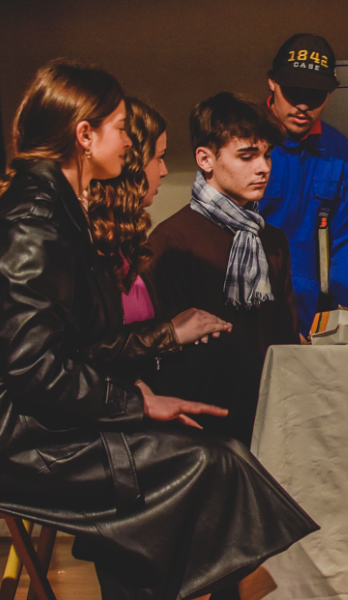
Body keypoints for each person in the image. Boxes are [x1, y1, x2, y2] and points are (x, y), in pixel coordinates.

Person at [0, 60, 317, 600]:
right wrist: (136, 403)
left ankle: (237, 585)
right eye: (120, 127)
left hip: (37, 418)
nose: (128, 142)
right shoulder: (32, 220)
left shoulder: (56, 212)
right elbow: (36, 370)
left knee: (219, 439)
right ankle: (240, 586)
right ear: (84, 136)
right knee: (203, 459)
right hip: (8, 436)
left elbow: (77, 349)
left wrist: (143, 383)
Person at [144, 92, 298, 446]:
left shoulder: (272, 240)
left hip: (267, 410)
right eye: (247, 156)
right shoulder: (171, 240)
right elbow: (164, 349)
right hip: (201, 424)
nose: (263, 167)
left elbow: (283, 336)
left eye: (266, 155)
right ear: (205, 159)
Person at [261, 33, 348, 333]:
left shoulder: (339, 151)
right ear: (272, 82)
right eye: (294, 92)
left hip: (314, 314)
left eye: (316, 95)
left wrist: (344, 310)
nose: (304, 105)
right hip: (253, 305)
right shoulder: (245, 142)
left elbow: (347, 238)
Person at [87, 97, 167, 325]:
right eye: (159, 158)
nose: (164, 170)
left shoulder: (123, 239)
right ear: (133, 161)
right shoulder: (89, 239)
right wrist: (172, 332)